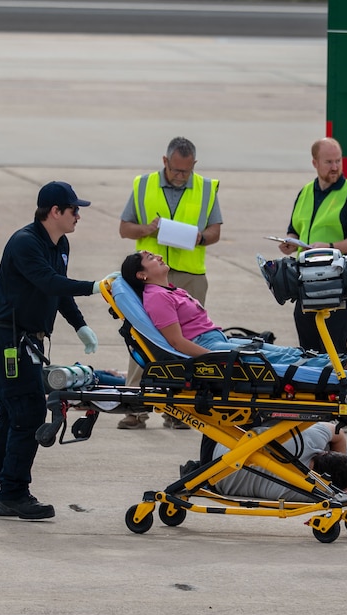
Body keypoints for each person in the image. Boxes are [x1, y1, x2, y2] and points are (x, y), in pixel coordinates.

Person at [0, 181, 104, 521]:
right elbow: (48, 282)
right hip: (7, 341)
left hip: (28, 341)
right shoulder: (25, 242)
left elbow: (58, 292)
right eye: (74, 210)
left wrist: (80, 325)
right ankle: (12, 493)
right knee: (28, 414)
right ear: (55, 211)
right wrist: (95, 287)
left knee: (11, 414)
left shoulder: (61, 243)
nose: (78, 216)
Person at [119, 251, 347, 372]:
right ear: (142, 275)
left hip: (218, 341)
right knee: (280, 364)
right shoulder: (156, 298)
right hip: (210, 346)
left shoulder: (168, 290)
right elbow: (177, 342)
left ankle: (345, 362)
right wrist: (218, 359)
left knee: (291, 354)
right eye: (150, 258)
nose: (157, 256)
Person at [117, 136, 222, 430]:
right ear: (165, 162)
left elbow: (215, 231)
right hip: (151, 279)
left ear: (194, 166)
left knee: (185, 345)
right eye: (175, 170)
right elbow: (125, 229)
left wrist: (200, 237)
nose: (180, 176)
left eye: (185, 172)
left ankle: (177, 410)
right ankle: (135, 409)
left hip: (189, 275)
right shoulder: (143, 185)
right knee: (144, 340)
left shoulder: (206, 189)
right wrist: (146, 229)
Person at [278, 137, 347, 356]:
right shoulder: (305, 192)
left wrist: (328, 246)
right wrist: (290, 242)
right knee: (307, 350)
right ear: (315, 163)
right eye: (329, 162)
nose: (335, 167)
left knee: (332, 350)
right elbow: (295, 229)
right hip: (306, 282)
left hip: (338, 285)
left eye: (338, 161)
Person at [206, 424, 347, 508]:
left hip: (221, 439)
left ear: (324, 452)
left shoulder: (310, 438)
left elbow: (337, 433)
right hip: (216, 477)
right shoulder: (311, 492)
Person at [0, 366, 124, 404]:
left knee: (128, 377)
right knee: (132, 385)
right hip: (76, 384)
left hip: (74, 375)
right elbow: (18, 394)